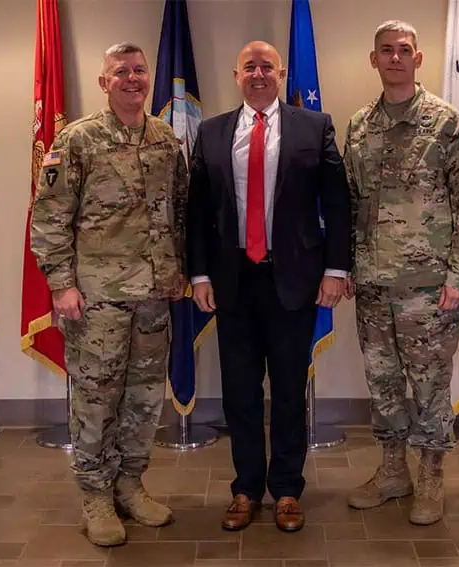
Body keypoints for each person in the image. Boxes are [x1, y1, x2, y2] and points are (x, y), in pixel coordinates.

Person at [187, 41, 350, 533]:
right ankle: (245, 489)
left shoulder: (313, 126)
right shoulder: (212, 132)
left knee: (286, 392)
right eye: (249, 67)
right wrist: (198, 274)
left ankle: (286, 490)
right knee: (238, 392)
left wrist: (336, 271)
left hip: (293, 280)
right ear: (237, 74)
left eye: (267, 67)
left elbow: (338, 202)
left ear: (280, 73)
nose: (258, 74)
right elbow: (195, 211)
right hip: (232, 281)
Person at [31, 42, 188, 547]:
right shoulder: (77, 140)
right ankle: (95, 495)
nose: (133, 78)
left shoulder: (165, 139)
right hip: (95, 297)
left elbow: (180, 211)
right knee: (96, 399)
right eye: (121, 71)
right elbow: (50, 218)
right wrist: (62, 285)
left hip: (153, 294)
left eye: (140, 70)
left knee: (144, 398)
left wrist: (179, 272)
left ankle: (130, 485)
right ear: (104, 82)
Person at [343, 20, 459, 526]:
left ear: (419, 59)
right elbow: (350, 202)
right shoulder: (361, 125)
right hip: (373, 284)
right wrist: (345, 268)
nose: (396, 58)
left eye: (405, 50)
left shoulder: (446, 123)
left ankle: (430, 476)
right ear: (374, 59)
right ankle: (392, 471)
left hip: (429, 288)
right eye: (387, 51)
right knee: (383, 383)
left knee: (428, 387)